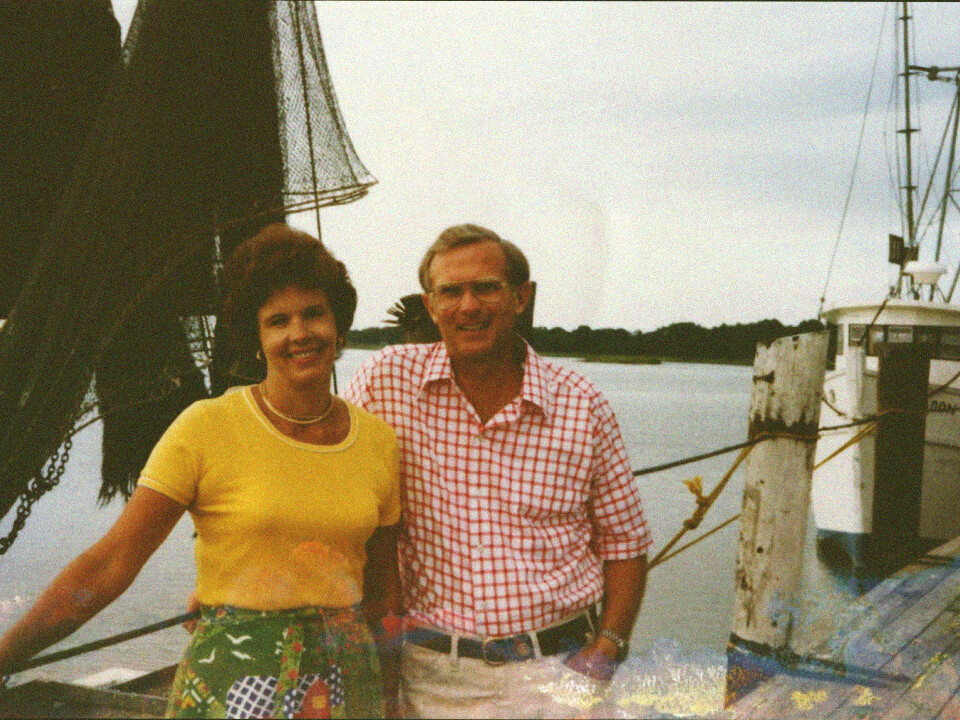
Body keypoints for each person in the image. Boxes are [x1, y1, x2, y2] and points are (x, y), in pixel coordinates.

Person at [0, 223, 402, 719]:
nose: (299, 334)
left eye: (314, 314)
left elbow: (385, 593)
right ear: (255, 338)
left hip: (347, 689)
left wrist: (390, 696)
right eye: (277, 320)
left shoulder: (378, 442)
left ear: (338, 324)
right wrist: (5, 656)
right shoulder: (207, 427)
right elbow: (108, 566)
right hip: (230, 687)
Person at [344, 223, 652, 718]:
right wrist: (239, 565)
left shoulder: (581, 403)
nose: (469, 306)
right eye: (451, 292)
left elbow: (626, 543)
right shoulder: (386, 381)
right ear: (430, 306)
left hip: (562, 670)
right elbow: (318, 469)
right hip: (435, 676)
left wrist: (607, 648)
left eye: (486, 287)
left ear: (520, 297)